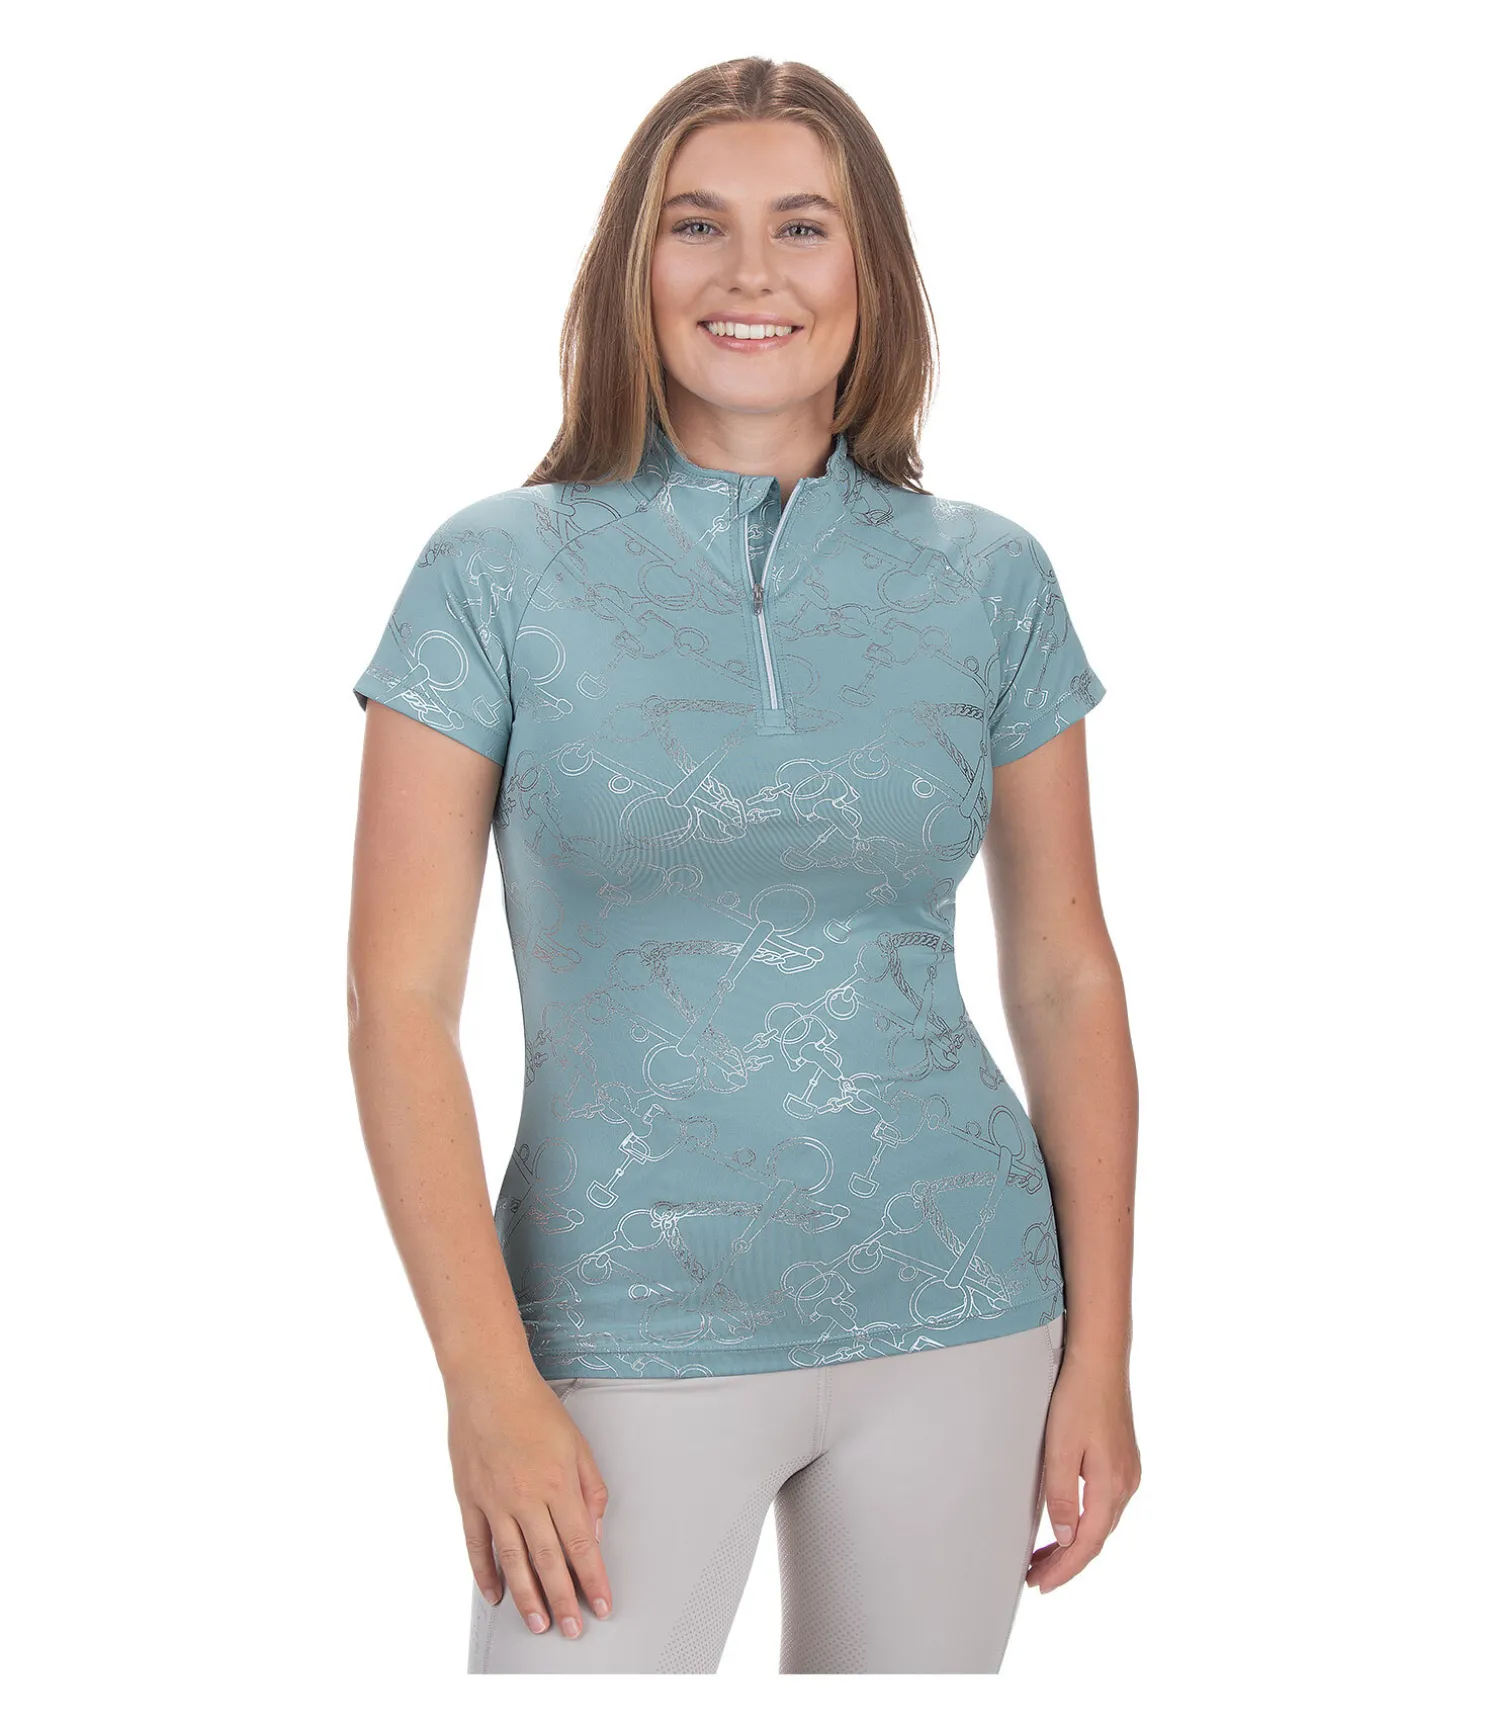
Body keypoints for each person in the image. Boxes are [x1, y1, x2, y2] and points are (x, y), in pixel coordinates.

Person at [346, 56, 1140, 1676]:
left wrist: (1103, 1352)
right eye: (696, 224)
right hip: (614, 1325)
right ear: (632, 266)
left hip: (963, 1310)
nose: (750, 272)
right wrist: (483, 1381)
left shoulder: (989, 578)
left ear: (871, 271)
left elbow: (1064, 973)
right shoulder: (492, 571)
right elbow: (396, 1001)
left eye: (803, 226)